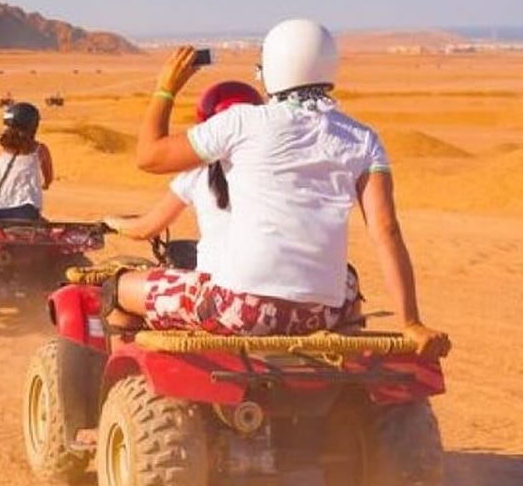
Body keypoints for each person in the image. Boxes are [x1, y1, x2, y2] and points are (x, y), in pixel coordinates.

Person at [100, 19, 450, 359]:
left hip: (238, 309)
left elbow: (149, 156)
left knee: (117, 290)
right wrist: (411, 322)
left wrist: (166, 88)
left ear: (272, 70)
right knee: (348, 281)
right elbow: (386, 230)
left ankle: (122, 388)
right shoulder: (363, 138)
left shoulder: (241, 122)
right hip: (323, 314)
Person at [103, 81, 264, 275]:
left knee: (118, 284)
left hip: (215, 285)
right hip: (280, 282)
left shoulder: (197, 172)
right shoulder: (279, 169)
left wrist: (111, 222)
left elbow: (145, 229)